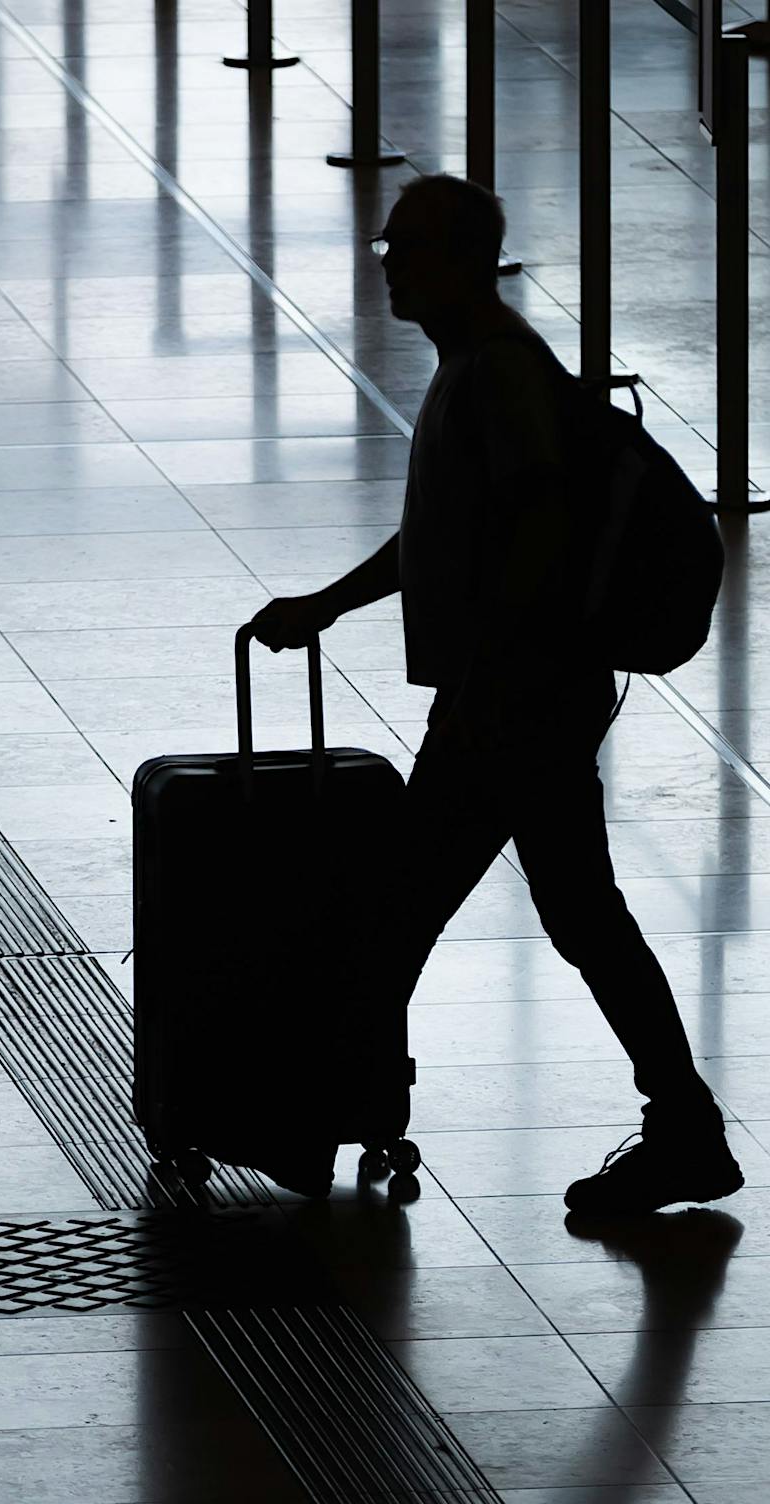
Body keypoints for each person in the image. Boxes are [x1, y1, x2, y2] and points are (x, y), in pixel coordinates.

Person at [248, 174, 741, 1216]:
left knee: (404, 908)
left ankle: (316, 1119)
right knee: (561, 913)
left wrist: (486, 678)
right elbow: (446, 536)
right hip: (516, 694)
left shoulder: (499, 376)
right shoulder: (474, 367)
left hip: (510, 701)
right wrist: (329, 604)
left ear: (465, 258)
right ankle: (680, 1127)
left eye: (410, 249)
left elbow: (535, 532)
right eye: (387, 249)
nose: (390, 266)